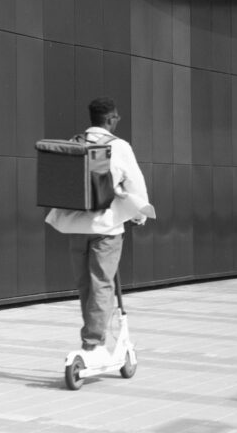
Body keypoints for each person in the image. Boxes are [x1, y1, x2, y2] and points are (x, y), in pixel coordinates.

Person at [71, 97, 148, 357]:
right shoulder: (120, 146)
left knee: (86, 286)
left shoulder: (74, 142)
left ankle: (93, 338)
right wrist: (140, 214)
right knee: (102, 284)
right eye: (117, 117)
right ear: (111, 118)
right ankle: (93, 344)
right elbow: (135, 185)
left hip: (76, 226)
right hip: (107, 226)